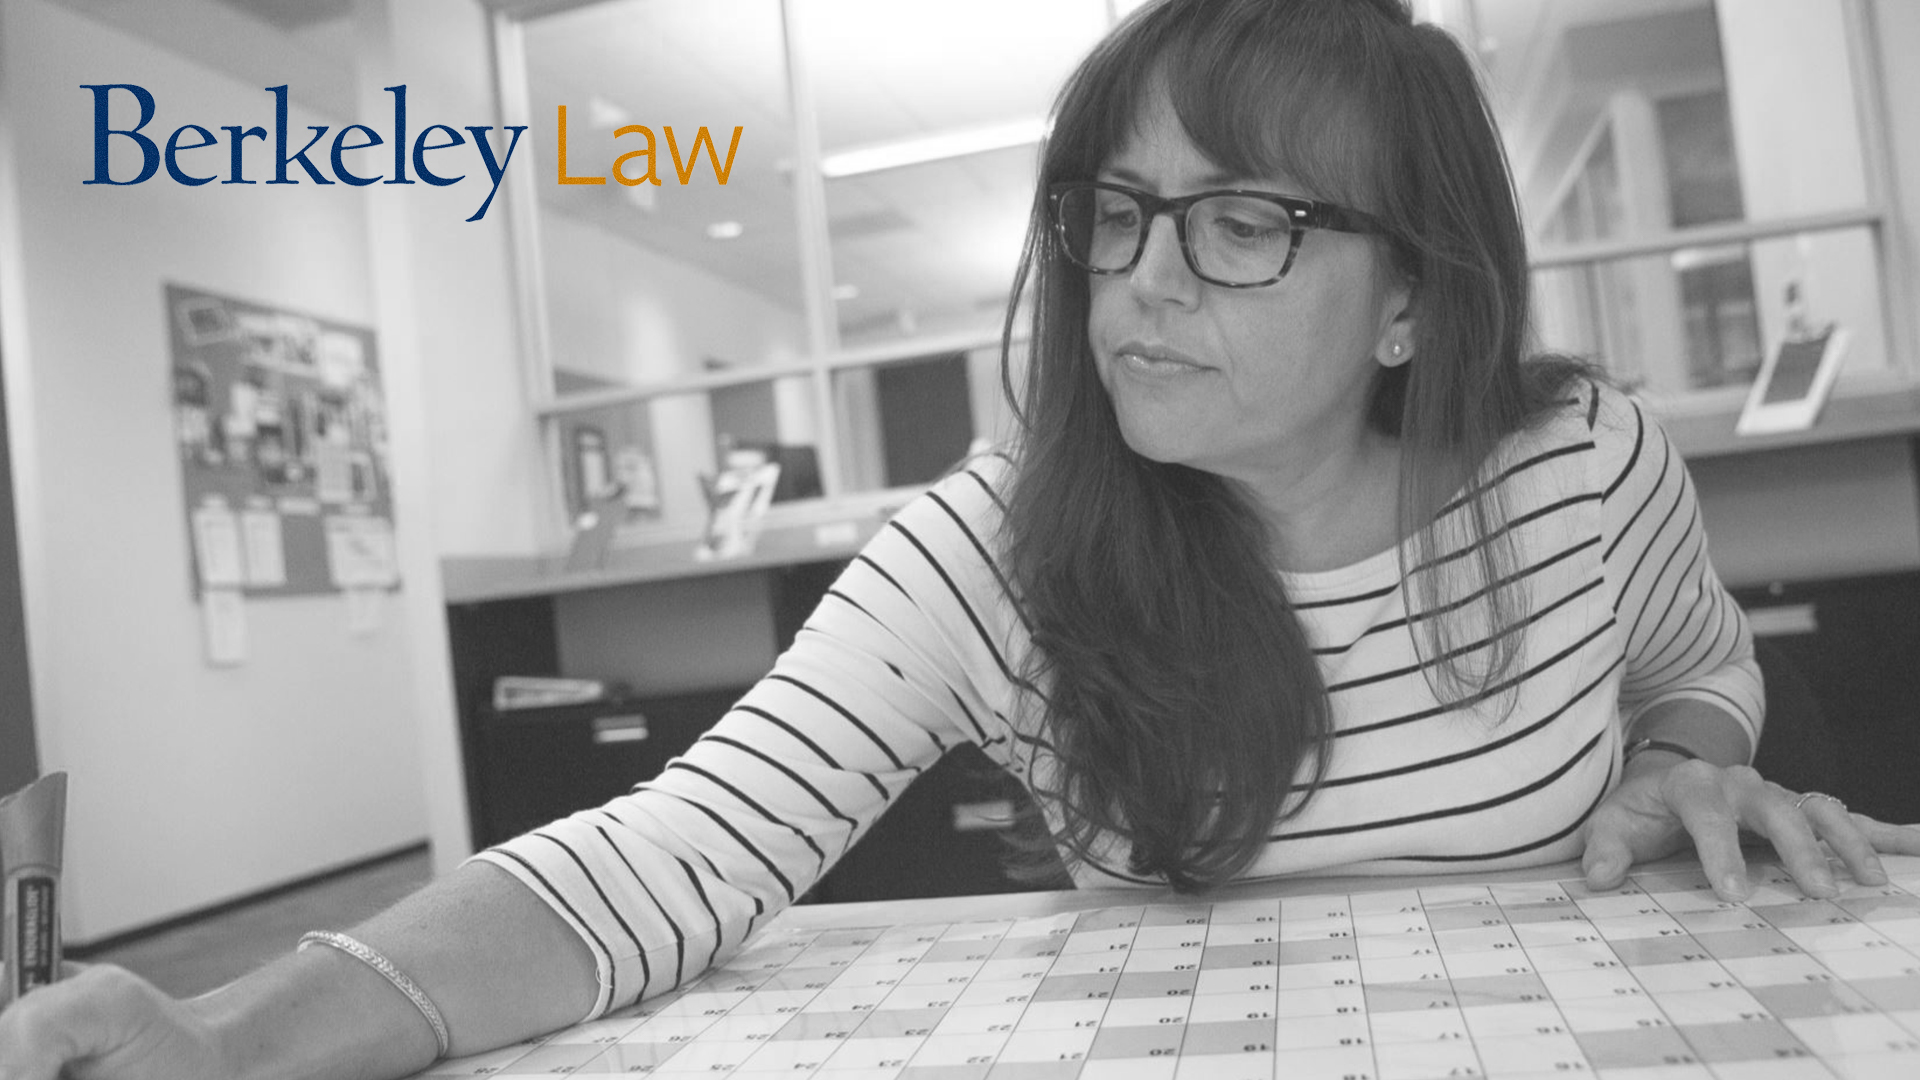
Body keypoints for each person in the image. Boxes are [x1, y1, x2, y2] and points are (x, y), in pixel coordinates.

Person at [5, 0, 1917, 1076]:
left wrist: (1688, 764)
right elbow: (673, 853)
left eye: (1243, 222)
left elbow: (1699, 665)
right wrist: (236, 1036)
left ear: (1410, 302)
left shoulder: (1575, 462)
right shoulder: (996, 550)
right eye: (1114, 212)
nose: (1143, 280)